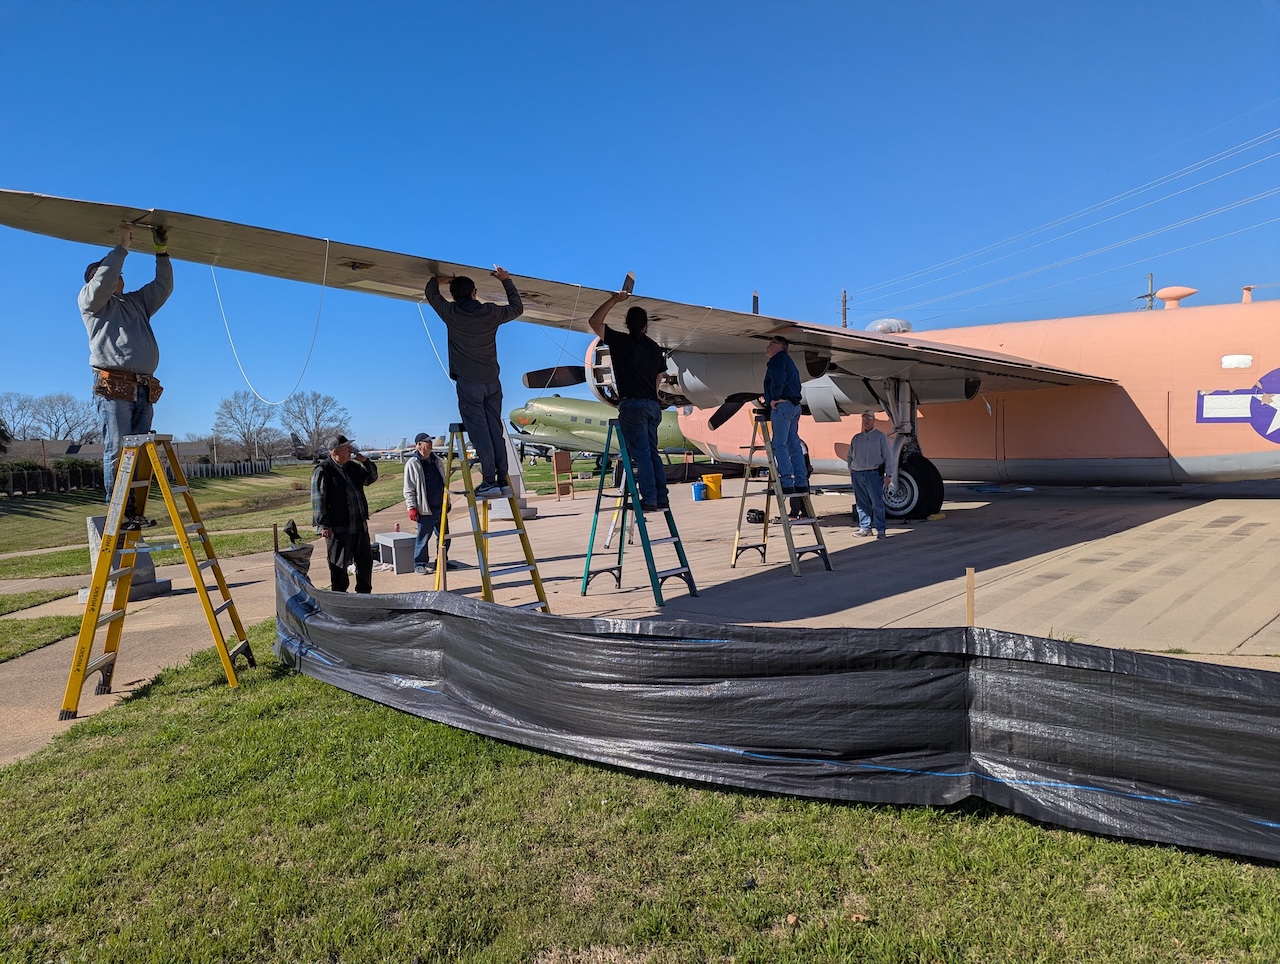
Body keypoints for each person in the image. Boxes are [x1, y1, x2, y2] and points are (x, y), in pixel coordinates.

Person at [80, 221, 173, 530]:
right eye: (113, 273)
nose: (120, 277)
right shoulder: (91, 302)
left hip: (143, 388)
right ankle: (117, 514)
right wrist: (122, 247)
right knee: (118, 451)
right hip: (114, 388)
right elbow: (104, 281)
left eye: (120, 273)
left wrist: (162, 253)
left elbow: (163, 287)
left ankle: (131, 512)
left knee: (137, 455)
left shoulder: (135, 302)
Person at [424, 268, 523, 499]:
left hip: (469, 384)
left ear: (454, 294)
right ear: (474, 293)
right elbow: (517, 308)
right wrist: (506, 280)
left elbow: (432, 294)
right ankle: (502, 480)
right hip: (492, 382)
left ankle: (489, 481)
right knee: (495, 431)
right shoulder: (489, 312)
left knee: (480, 434)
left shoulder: (451, 312)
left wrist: (437, 280)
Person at [587, 290, 669, 511]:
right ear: (645, 326)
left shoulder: (619, 341)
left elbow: (594, 321)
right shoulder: (654, 348)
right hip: (652, 405)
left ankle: (649, 499)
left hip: (632, 404)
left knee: (641, 454)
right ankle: (662, 497)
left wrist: (614, 299)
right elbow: (659, 378)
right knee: (653, 453)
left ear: (627, 323)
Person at [311, 434, 379, 592]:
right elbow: (318, 500)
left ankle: (364, 595)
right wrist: (323, 524)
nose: (350, 451)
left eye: (350, 447)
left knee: (365, 562)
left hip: (359, 527)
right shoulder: (323, 470)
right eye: (346, 448)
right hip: (339, 529)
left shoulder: (353, 467)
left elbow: (371, 478)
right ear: (335, 452)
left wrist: (366, 462)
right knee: (339, 567)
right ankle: (340, 598)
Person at [762, 336, 808, 495]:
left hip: (783, 406)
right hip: (794, 405)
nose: (768, 347)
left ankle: (786, 482)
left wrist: (774, 398)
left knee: (779, 444)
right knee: (793, 444)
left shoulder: (777, 360)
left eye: (771, 343)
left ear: (780, 346)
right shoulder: (788, 361)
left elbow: (778, 379)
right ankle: (801, 482)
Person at [403, 432, 448, 574]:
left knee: (444, 536)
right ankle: (419, 564)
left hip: (440, 506)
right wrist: (411, 507)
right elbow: (408, 488)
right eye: (426, 442)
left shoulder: (437, 460)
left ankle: (442, 561)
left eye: (430, 441)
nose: (430, 444)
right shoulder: (413, 464)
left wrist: (448, 501)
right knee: (423, 538)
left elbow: (444, 482)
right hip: (425, 508)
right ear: (418, 445)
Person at [846, 411, 892, 539]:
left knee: (877, 502)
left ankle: (880, 529)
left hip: (873, 473)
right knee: (861, 502)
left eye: (869, 418)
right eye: (864, 418)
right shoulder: (856, 438)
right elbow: (850, 455)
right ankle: (865, 527)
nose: (866, 421)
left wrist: (889, 474)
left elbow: (887, 456)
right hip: (857, 473)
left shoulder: (880, 437)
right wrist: (851, 468)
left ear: (874, 420)